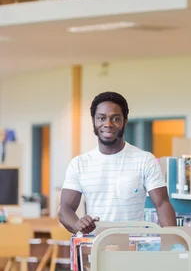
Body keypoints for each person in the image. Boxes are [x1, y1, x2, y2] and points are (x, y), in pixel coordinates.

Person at [58, 91, 177, 234]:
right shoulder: (79, 164)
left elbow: (162, 204)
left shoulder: (145, 160)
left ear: (124, 121)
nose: (108, 124)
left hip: (133, 249)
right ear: (94, 121)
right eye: (101, 118)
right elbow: (65, 208)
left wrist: (173, 243)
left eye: (115, 119)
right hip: (95, 248)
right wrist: (78, 224)